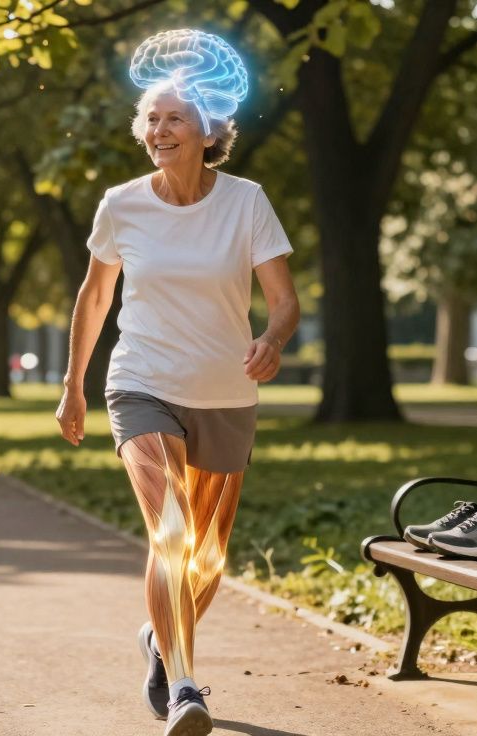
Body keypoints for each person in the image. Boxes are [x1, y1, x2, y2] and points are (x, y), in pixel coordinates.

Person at [55, 29, 298, 736]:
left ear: (208, 132)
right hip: (143, 383)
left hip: (225, 390)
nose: (159, 130)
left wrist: (272, 339)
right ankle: (186, 686)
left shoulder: (246, 202)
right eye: (151, 119)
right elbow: (95, 298)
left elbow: (284, 299)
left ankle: (159, 641)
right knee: (170, 528)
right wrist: (74, 385)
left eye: (174, 119)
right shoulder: (122, 205)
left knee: (210, 557)